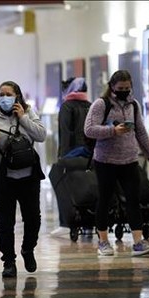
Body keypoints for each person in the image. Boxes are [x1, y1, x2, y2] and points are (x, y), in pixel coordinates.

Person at [84, 69, 149, 257]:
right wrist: (112, 131)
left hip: (129, 160)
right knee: (105, 200)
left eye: (127, 88)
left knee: (133, 200)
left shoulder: (133, 106)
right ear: (111, 87)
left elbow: (141, 133)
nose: (124, 91)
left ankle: (138, 242)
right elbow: (89, 130)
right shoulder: (100, 104)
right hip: (105, 161)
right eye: (120, 88)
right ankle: (103, 241)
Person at [0, 81, 46, 278]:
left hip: (28, 177)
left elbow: (41, 135)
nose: (4, 97)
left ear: (17, 96)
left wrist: (24, 118)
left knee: (33, 218)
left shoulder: (29, 113)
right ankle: (8, 261)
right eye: (1, 94)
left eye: (8, 94)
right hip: (2, 178)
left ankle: (28, 249)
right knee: (5, 222)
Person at [50, 77, 93, 238]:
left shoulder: (67, 107)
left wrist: (62, 158)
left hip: (71, 156)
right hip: (89, 156)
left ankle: (66, 223)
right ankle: (88, 222)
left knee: (63, 185)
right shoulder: (90, 106)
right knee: (86, 187)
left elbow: (65, 134)